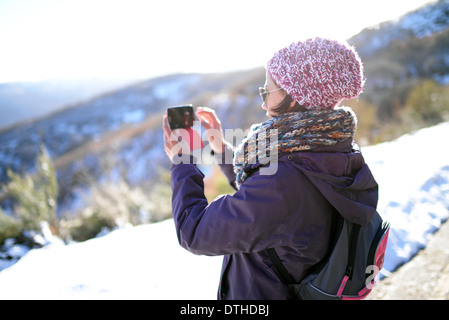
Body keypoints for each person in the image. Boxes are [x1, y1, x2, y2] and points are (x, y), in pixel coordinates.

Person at [162, 37, 379, 300]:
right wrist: (219, 148)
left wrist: (181, 161)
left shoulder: (284, 181)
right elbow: (264, 199)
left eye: (268, 91)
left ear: (297, 95)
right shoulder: (335, 149)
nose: (264, 104)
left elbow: (193, 231)